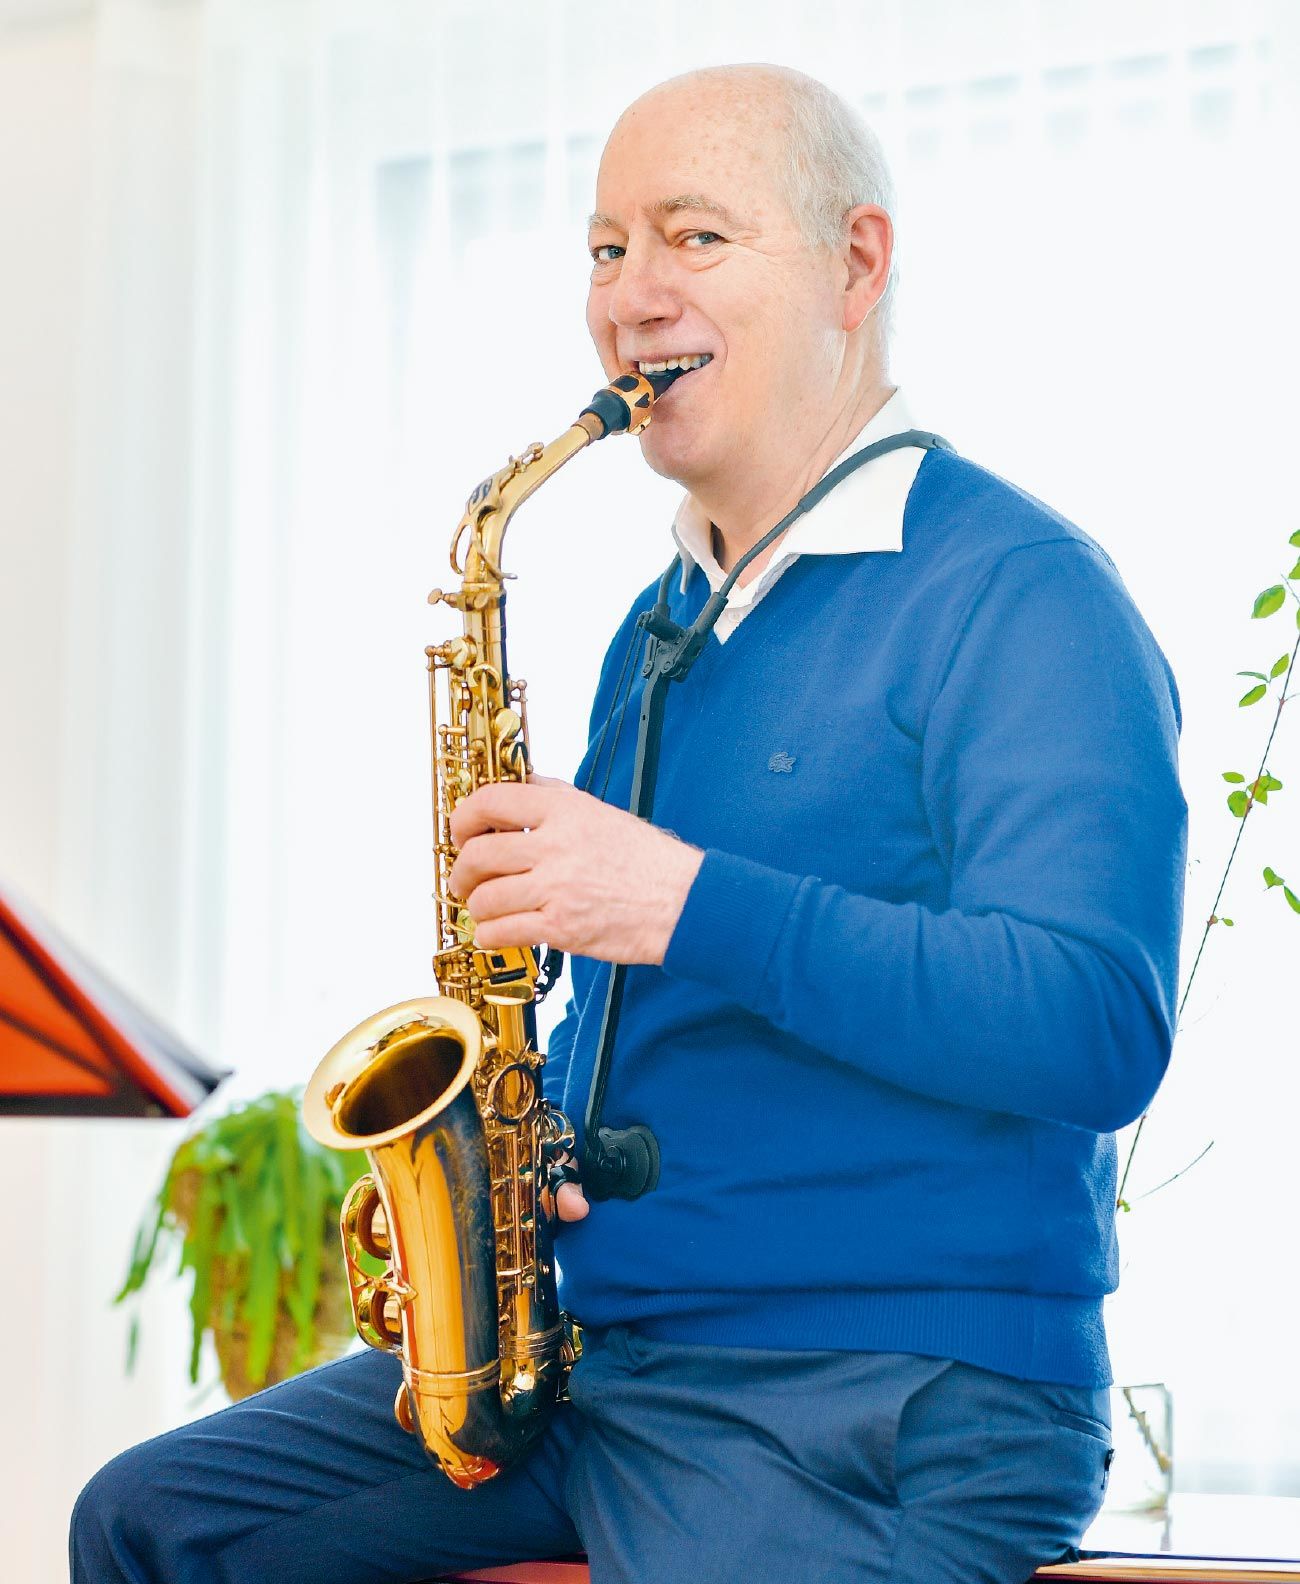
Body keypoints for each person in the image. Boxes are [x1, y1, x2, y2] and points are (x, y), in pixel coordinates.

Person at [70, 63, 1186, 1584]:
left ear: (857, 264)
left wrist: (680, 901)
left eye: (695, 238)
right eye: (605, 250)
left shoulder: (1026, 593)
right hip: (606, 1364)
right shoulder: (660, 628)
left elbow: (1093, 1024)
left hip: (885, 1400)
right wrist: (530, 1168)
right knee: (151, 1524)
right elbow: (651, 1010)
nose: (631, 297)